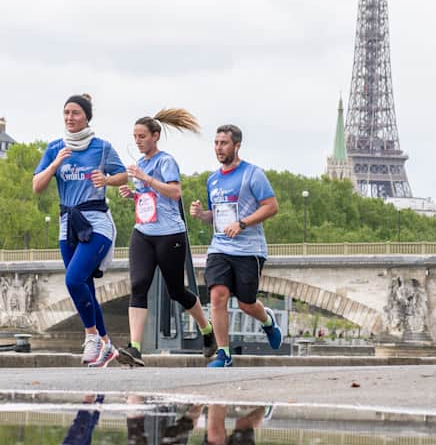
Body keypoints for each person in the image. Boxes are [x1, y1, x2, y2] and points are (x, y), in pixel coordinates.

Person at [33, 94, 128, 367]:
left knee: (74, 280)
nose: (69, 118)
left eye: (75, 113)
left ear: (86, 116)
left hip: (96, 221)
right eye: (66, 113)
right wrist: (54, 165)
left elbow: (123, 175)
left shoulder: (101, 148)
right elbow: (36, 186)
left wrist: (107, 179)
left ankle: (91, 336)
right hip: (68, 226)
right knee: (85, 286)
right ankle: (107, 344)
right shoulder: (54, 148)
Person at [116, 109, 216, 367]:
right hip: (143, 232)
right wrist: (134, 195)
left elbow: (173, 192)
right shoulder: (141, 165)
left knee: (176, 290)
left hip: (170, 234)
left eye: (142, 136)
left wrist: (145, 179)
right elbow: (150, 199)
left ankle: (207, 331)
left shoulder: (165, 162)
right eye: (135, 137)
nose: (137, 141)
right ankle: (135, 348)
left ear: (155, 136)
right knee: (138, 285)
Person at [190, 124, 282, 368]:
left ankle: (268, 321)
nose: (219, 148)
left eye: (224, 143)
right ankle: (224, 354)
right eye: (216, 143)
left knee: (245, 303)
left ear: (237, 145)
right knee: (217, 296)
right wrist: (202, 215)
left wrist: (242, 223)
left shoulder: (253, 174)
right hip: (220, 247)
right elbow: (218, 217)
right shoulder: (213, 180)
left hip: (249, 249)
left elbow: (271, 206)